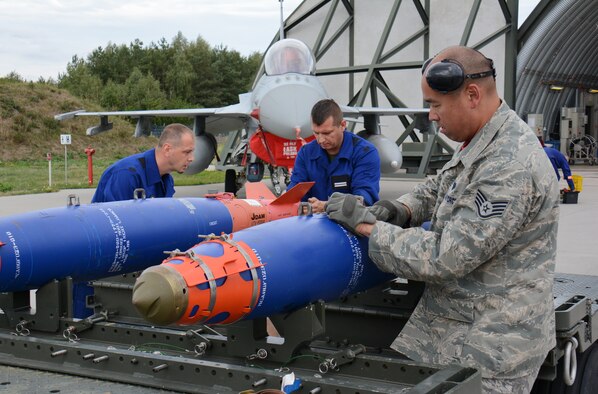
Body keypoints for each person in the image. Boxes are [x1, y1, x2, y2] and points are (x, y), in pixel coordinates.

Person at [325, 46, 559, 393]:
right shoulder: (483, 140)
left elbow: (446, 256)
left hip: (491, 351)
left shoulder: (508, 165)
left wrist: (367, 226)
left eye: (435, 105)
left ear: (472, 95)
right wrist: (398, 209)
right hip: (460, 329)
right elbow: (440, 187)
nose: (431, 116)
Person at [287, 99, 381, 213]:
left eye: (327, 133)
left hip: (350, 226)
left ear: (342, 125)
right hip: (312, 225)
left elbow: (364, 200)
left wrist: (328, 206)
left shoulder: (365, 153)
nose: (320, 140)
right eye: (316, 133)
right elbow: (293, 195)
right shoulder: (306, 153)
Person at [92, 123, 195, 203]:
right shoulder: (127, 174)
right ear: (167, 149)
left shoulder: (166, 179)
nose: (192, 158)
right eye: (187, 152)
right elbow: (115, 224)